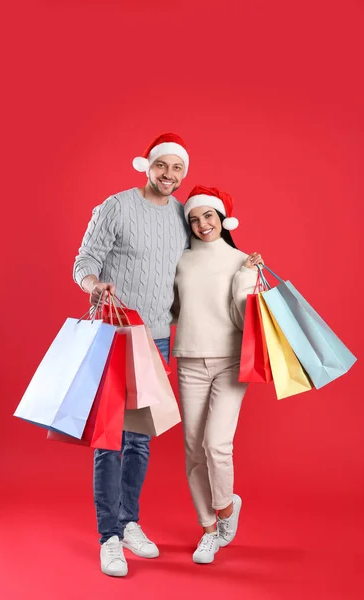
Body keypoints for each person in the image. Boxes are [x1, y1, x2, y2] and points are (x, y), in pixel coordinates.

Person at [73, 133, 190, 577]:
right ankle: (109, 538)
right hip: (116, 335)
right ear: (147, 166)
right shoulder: (116, 207)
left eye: (178, 169)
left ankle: (129, 521)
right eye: (163, 166)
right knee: (111, 439)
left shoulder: (182, 215)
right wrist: (93, 285)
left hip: (157, 339)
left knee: (139, 439)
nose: (169, 175)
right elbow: (83, 262)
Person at [171, 185, 263, 564]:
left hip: (229, 361)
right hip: (189, 359)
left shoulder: (242, 261)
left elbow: (245, 322)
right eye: (194, 218)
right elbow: (173, 310)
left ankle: (226, 506)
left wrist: (245, 279)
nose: (201, 224)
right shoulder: (181, 260)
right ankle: (208, 528)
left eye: (208, 216)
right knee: (193, 449)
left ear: (223, 218)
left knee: (216, 445)